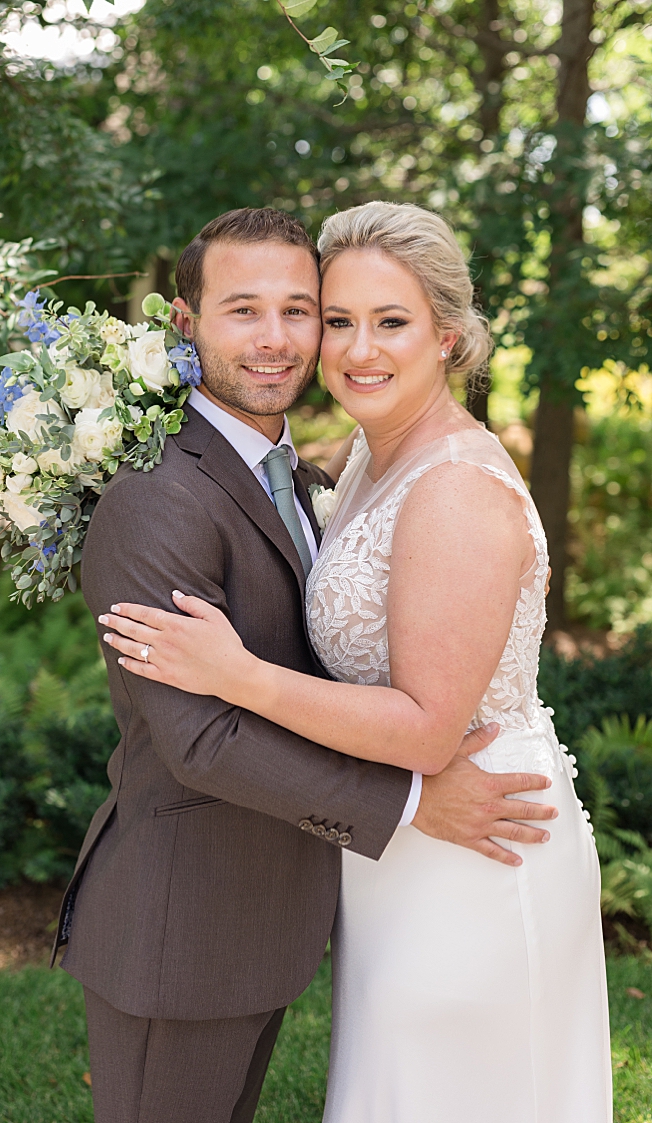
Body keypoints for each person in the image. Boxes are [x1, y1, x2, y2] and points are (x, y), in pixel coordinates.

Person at [101, 202, 612, 1119]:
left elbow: (425, 730)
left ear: (448, 336)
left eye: (390, 323)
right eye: (338, 320)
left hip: (479, 831)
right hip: (401, 844)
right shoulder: (362, 464)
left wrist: (238, 673)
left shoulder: (455, 488)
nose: (353, 348)